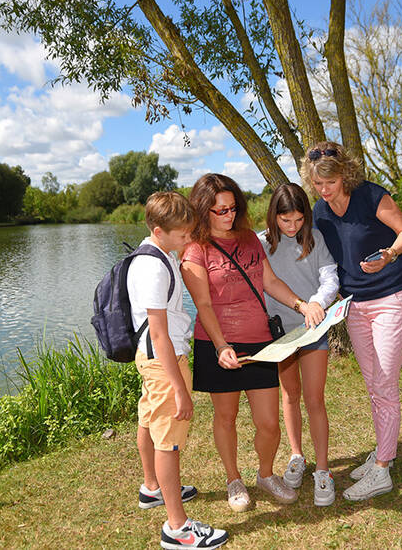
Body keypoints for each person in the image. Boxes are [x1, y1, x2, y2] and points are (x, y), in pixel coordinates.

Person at [180, 173, 324, 512]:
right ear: (203, 210)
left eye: (233, 208)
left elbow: (269, 281)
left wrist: (301, 305)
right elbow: (203, 304)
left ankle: (265, 474)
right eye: (220, 211)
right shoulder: (194, 250)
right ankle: (233, 479)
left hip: (260, 343)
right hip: (218, 344)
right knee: (226, 417)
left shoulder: (248, 239)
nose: (229, 216)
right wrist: (220, 346)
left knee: (269, 422)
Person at [300, 141, 402, 502]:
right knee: (373, 384)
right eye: (318, 184)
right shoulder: (320, 212)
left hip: (390, 299)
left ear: (344, 175)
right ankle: (384, 453)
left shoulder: (370, 196)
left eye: (330, 182)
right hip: (355, 307)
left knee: (384, 383)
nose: (324, 191)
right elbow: (321, 258)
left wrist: (390, 254)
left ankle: (382, 469)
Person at [127, 192, 228, 549]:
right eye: (183, 234)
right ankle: (178, 527)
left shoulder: (152, 253)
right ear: (159, 230)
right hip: (164, 361)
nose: (189, 239)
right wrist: (180, 389)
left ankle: (151, 488)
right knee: (169, 441)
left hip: (151, 358)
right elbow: (159, 332)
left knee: (149, 420)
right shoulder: (154, 267)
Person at [259, 183, 340, 506]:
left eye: (297, 220)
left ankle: (323, 469)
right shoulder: (261, 242)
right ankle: (297, 455)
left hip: (313, 329)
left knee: (314, 398)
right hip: (280, 333)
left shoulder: (315, 238)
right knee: (290, 395)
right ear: (273, 217)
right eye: (285, 221)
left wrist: (318, 302)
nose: (292, 227)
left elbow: (330, 276)